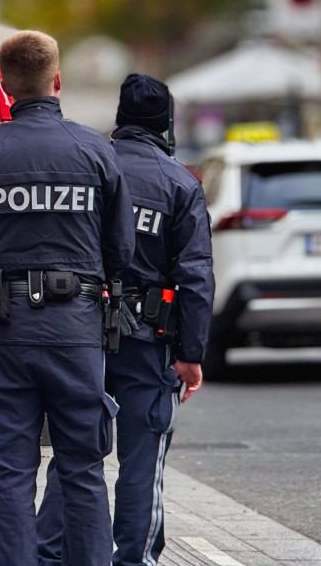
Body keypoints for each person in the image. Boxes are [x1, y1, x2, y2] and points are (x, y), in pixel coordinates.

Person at [0, 31, 134, 566]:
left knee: (12, 474)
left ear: (3, 84)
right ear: (58, 80)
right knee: (83, 469)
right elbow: (122, 248)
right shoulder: (96, 150)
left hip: (4, 328)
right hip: (77, 331)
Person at [37, 74, 215, 566]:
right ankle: (132, 559)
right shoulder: (180, 183)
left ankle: (47, 553)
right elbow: (196, 277)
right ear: (166, 124)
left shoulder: (89, 165)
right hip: (148, 338)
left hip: (81, 329)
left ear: (121, 118)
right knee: (141, 459)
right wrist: (190, 355)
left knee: (76, 450)